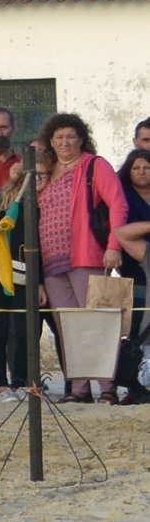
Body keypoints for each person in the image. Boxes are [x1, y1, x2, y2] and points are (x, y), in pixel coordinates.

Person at [32, 112, 127, 401]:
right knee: (67, 328)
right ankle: (78, 389)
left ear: (81, 139)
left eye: (70, 136)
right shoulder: (46, 170)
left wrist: (114, 245)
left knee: (95, 324)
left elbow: (118, 205)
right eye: (59, 137)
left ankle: (107, 388)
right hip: (52, 260)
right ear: (51, 140)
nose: (64, 142)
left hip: (87, 255)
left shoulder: (94, 166)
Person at [105, 148, 150, 404]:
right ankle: (136, 388)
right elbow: (122, 232)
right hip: (136, 265)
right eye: (136, 168)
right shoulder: (124, 197)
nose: (142, 172)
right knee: (138, 333)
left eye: (147, 167)